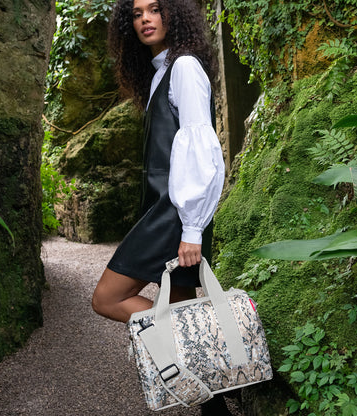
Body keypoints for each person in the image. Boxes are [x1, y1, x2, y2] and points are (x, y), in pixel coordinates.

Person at [92, 0, 229, 413]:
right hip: (170, 210)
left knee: (107, 298)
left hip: (176, 214)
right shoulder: (159, 74)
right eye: (137, 14)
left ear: (174, 14)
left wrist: (192, 228)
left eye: (154, 9)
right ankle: (214, 398)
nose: (146, 19)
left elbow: (202, 148)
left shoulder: (184, 67)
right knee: (183, 302)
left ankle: (201, 348)